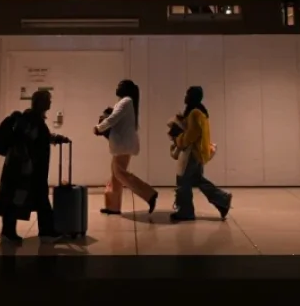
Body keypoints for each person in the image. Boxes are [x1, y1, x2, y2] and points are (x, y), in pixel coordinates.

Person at [0, 89, 69, 243]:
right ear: (41, 102)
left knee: (32, 197)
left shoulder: (33, 118)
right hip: (25, 169)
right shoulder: (31, 119)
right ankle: (14, 232)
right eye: (47, 99)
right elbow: (24, 142)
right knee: (20, 198)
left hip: (29, 168)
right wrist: (27, 163)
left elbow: (38, 138)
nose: (50, 102)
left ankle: (42, 230)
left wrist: (55, 138)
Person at [93, 79, 158, 215]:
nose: (117, 87)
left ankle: (149, 193)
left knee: (119, 173)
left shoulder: (126, 101)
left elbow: (113, 118)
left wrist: (98, 127)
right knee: (115, 175)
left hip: (123, 145)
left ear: (126, 89)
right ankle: (114, 207)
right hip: (123, 144)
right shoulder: (126, 102)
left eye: (120, 85)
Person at [171, 86, 231, 222]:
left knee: (183, 181)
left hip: (192, 154)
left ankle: (186, 211)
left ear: (192, 97)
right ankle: (222, 200)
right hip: (199, 153)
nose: (185, 96)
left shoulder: (194, 113)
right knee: (197, 179)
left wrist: (177, 137)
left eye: (187, 94)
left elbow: (190, 136)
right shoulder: (201, 112)